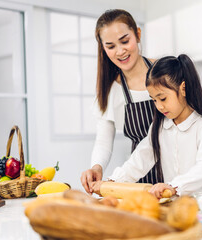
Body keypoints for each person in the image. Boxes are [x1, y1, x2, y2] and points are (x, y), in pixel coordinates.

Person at [92, 54, 202, 198]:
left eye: (163, 98)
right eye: (154, 100)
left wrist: (174, 186)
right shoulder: (159, 127)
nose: (159, 106)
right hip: (176, 205)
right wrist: (113, 182)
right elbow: (141, 158)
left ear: (183, 88)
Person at [81, 9, 161, 194]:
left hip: (179, 172)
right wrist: (97, 167)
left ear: (138, 34)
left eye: (125, 41)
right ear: (103, 48)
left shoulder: (166, 72)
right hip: (140, 179)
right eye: (110, 46)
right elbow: (103, 140)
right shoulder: (111, 90)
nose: (120, 51)